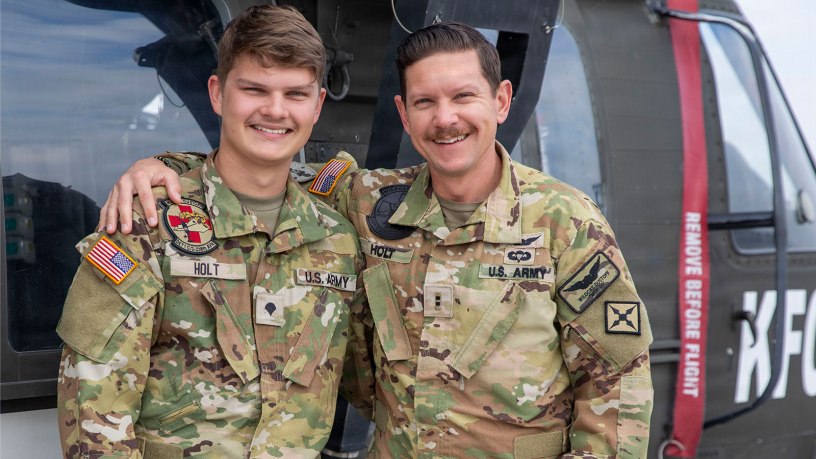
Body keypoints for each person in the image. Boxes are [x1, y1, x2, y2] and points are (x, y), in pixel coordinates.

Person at [102, 22, 654, 458]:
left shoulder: (566, 220)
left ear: (502, 101)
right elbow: (260, 167)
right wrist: (161, 168)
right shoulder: (365, 202)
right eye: (424, 102)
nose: (446, 119)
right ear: (403, 115)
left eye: (463, 96)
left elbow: (620, 383)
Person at [57, 6, 362, 458]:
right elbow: (94, 417)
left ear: (317, 105)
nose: (275, 110)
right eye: (254, 89)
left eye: (295, 93)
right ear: (218, 94)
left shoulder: (336, 237)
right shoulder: (146, 224)